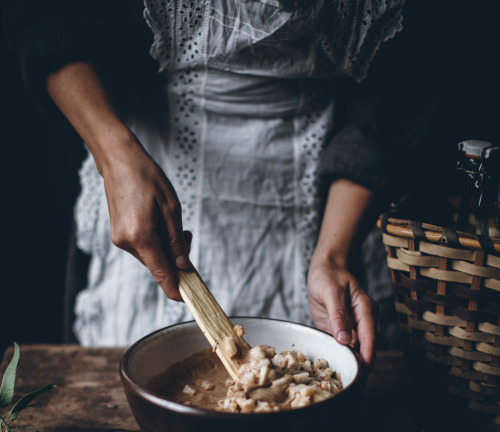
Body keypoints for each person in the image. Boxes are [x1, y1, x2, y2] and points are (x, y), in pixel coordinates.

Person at [9, 0, 451, 366]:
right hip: (144, 180)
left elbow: (399, 92)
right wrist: (114, 155)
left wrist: (333, 255)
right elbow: (49, 22)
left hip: (331, 208)